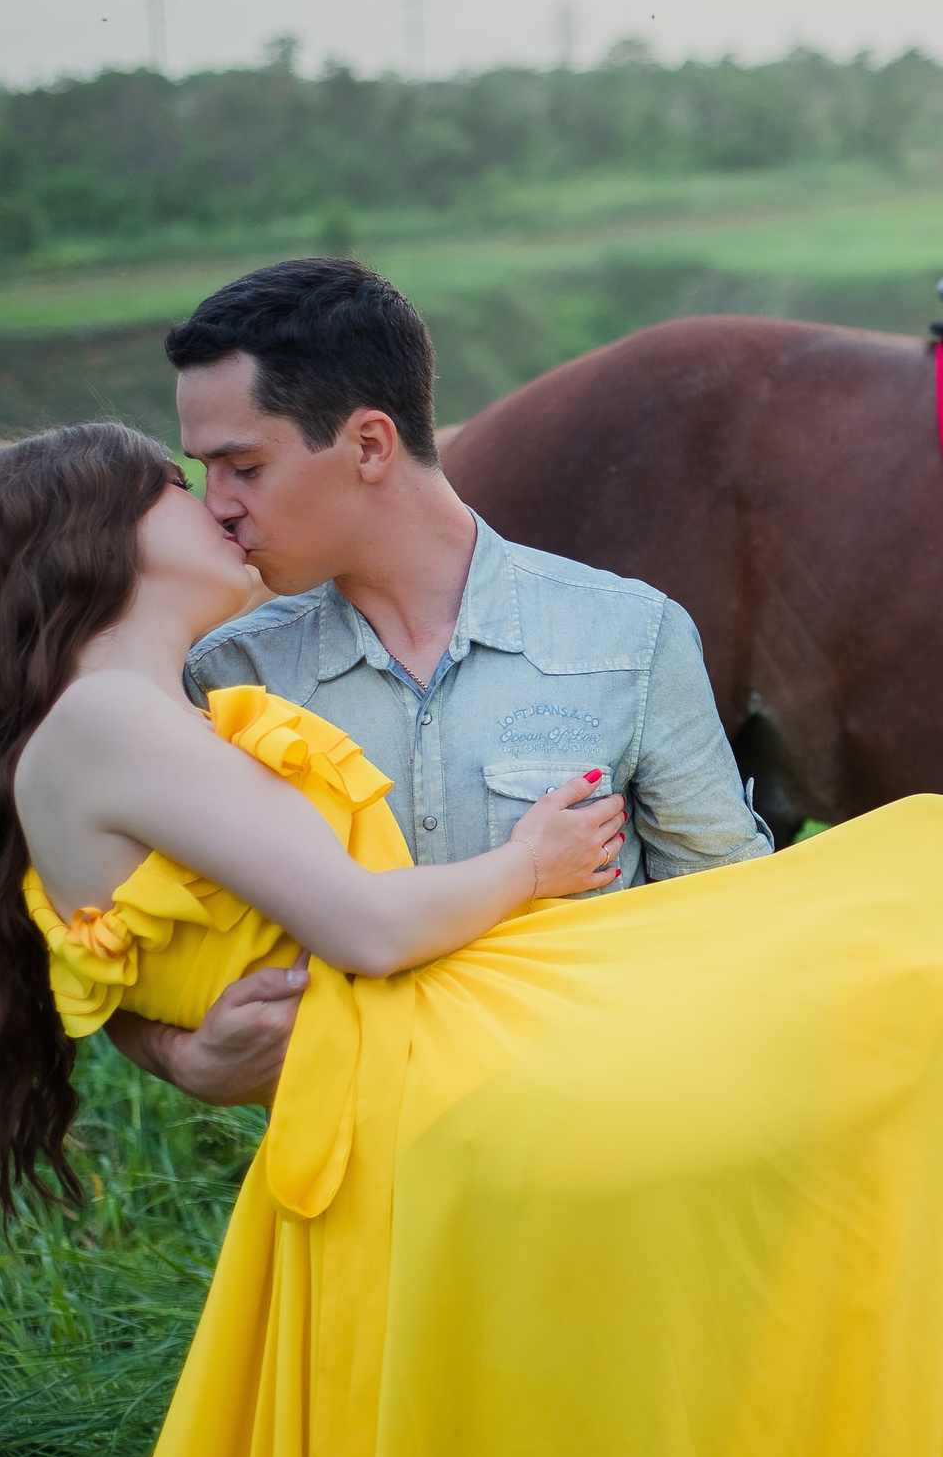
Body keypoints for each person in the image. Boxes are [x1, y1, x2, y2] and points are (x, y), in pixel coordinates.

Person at [0, 420, 943, 1457]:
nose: (219, 510)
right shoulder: (112, 721)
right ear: (101, 542)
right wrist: (530, 863)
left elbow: (176, 953)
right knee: (915, 894)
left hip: (417, 1052)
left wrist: (184, 1045)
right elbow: (361, 922)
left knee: (911, 887)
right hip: (442, 1046)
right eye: (180, 492)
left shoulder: (122, 723)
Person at [112, 259, 770, 1111]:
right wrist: (187, 1059)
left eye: (243, 466)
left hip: (606, 1153)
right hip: (359, 1187)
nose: (216, 506)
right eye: (202, 470)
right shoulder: (223, 676)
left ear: (371, 445)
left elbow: (735, 918)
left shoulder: (629, 638)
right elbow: (116, 944)